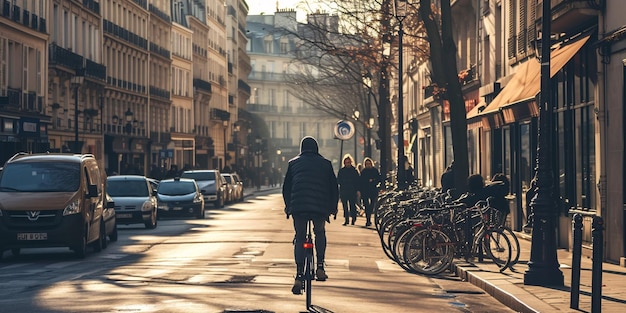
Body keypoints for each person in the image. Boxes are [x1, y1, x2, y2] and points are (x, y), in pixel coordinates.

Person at [282, 136, 339, 295]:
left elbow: (286, 188)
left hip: (299, 206)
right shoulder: (326, 164)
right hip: (320, 207)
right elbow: (333, 187)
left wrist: (288, 206)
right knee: (319, 232)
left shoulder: (293, 163)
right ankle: (320, 266)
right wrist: (333, 207)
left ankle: (299, 275)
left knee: (300, 237)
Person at [337, 154, 361, 226]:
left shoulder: (354, 171)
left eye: (349, 162)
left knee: (352, 205)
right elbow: (338, 180)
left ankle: (353, 218)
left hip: (352, 190)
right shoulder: (341, 171)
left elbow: (357, 181)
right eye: (346, 162)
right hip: (344, 190)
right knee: (345, 206)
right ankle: (346, 219)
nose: (347, 164)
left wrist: (358, 190)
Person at [359, 157, 382, 227]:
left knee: (372, 205)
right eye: (366, 164)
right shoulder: (363, 171)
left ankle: (369, 216)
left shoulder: (374, 171)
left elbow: (379, 179)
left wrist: (373, 180)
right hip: (365, 190)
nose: (368, 165)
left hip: (373, 190)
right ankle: (368, 220)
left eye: (369, 163)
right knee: (366, 205)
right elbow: (361, 181)